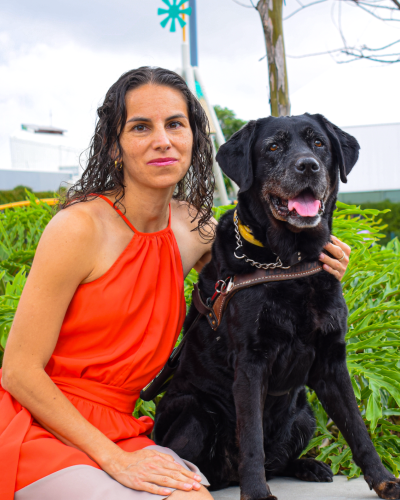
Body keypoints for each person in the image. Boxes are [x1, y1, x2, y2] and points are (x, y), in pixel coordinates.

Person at [0, 67, 351, 500]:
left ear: (193, 138)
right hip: (41, 426)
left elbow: (265, 270)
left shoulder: (197, 229)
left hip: (123, 427)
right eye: (140, 127)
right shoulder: (77, 228)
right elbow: (18, 371)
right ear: (114, 144)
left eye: (175, 124)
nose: (162, 140)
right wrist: (115, 460)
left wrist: (323, 257)